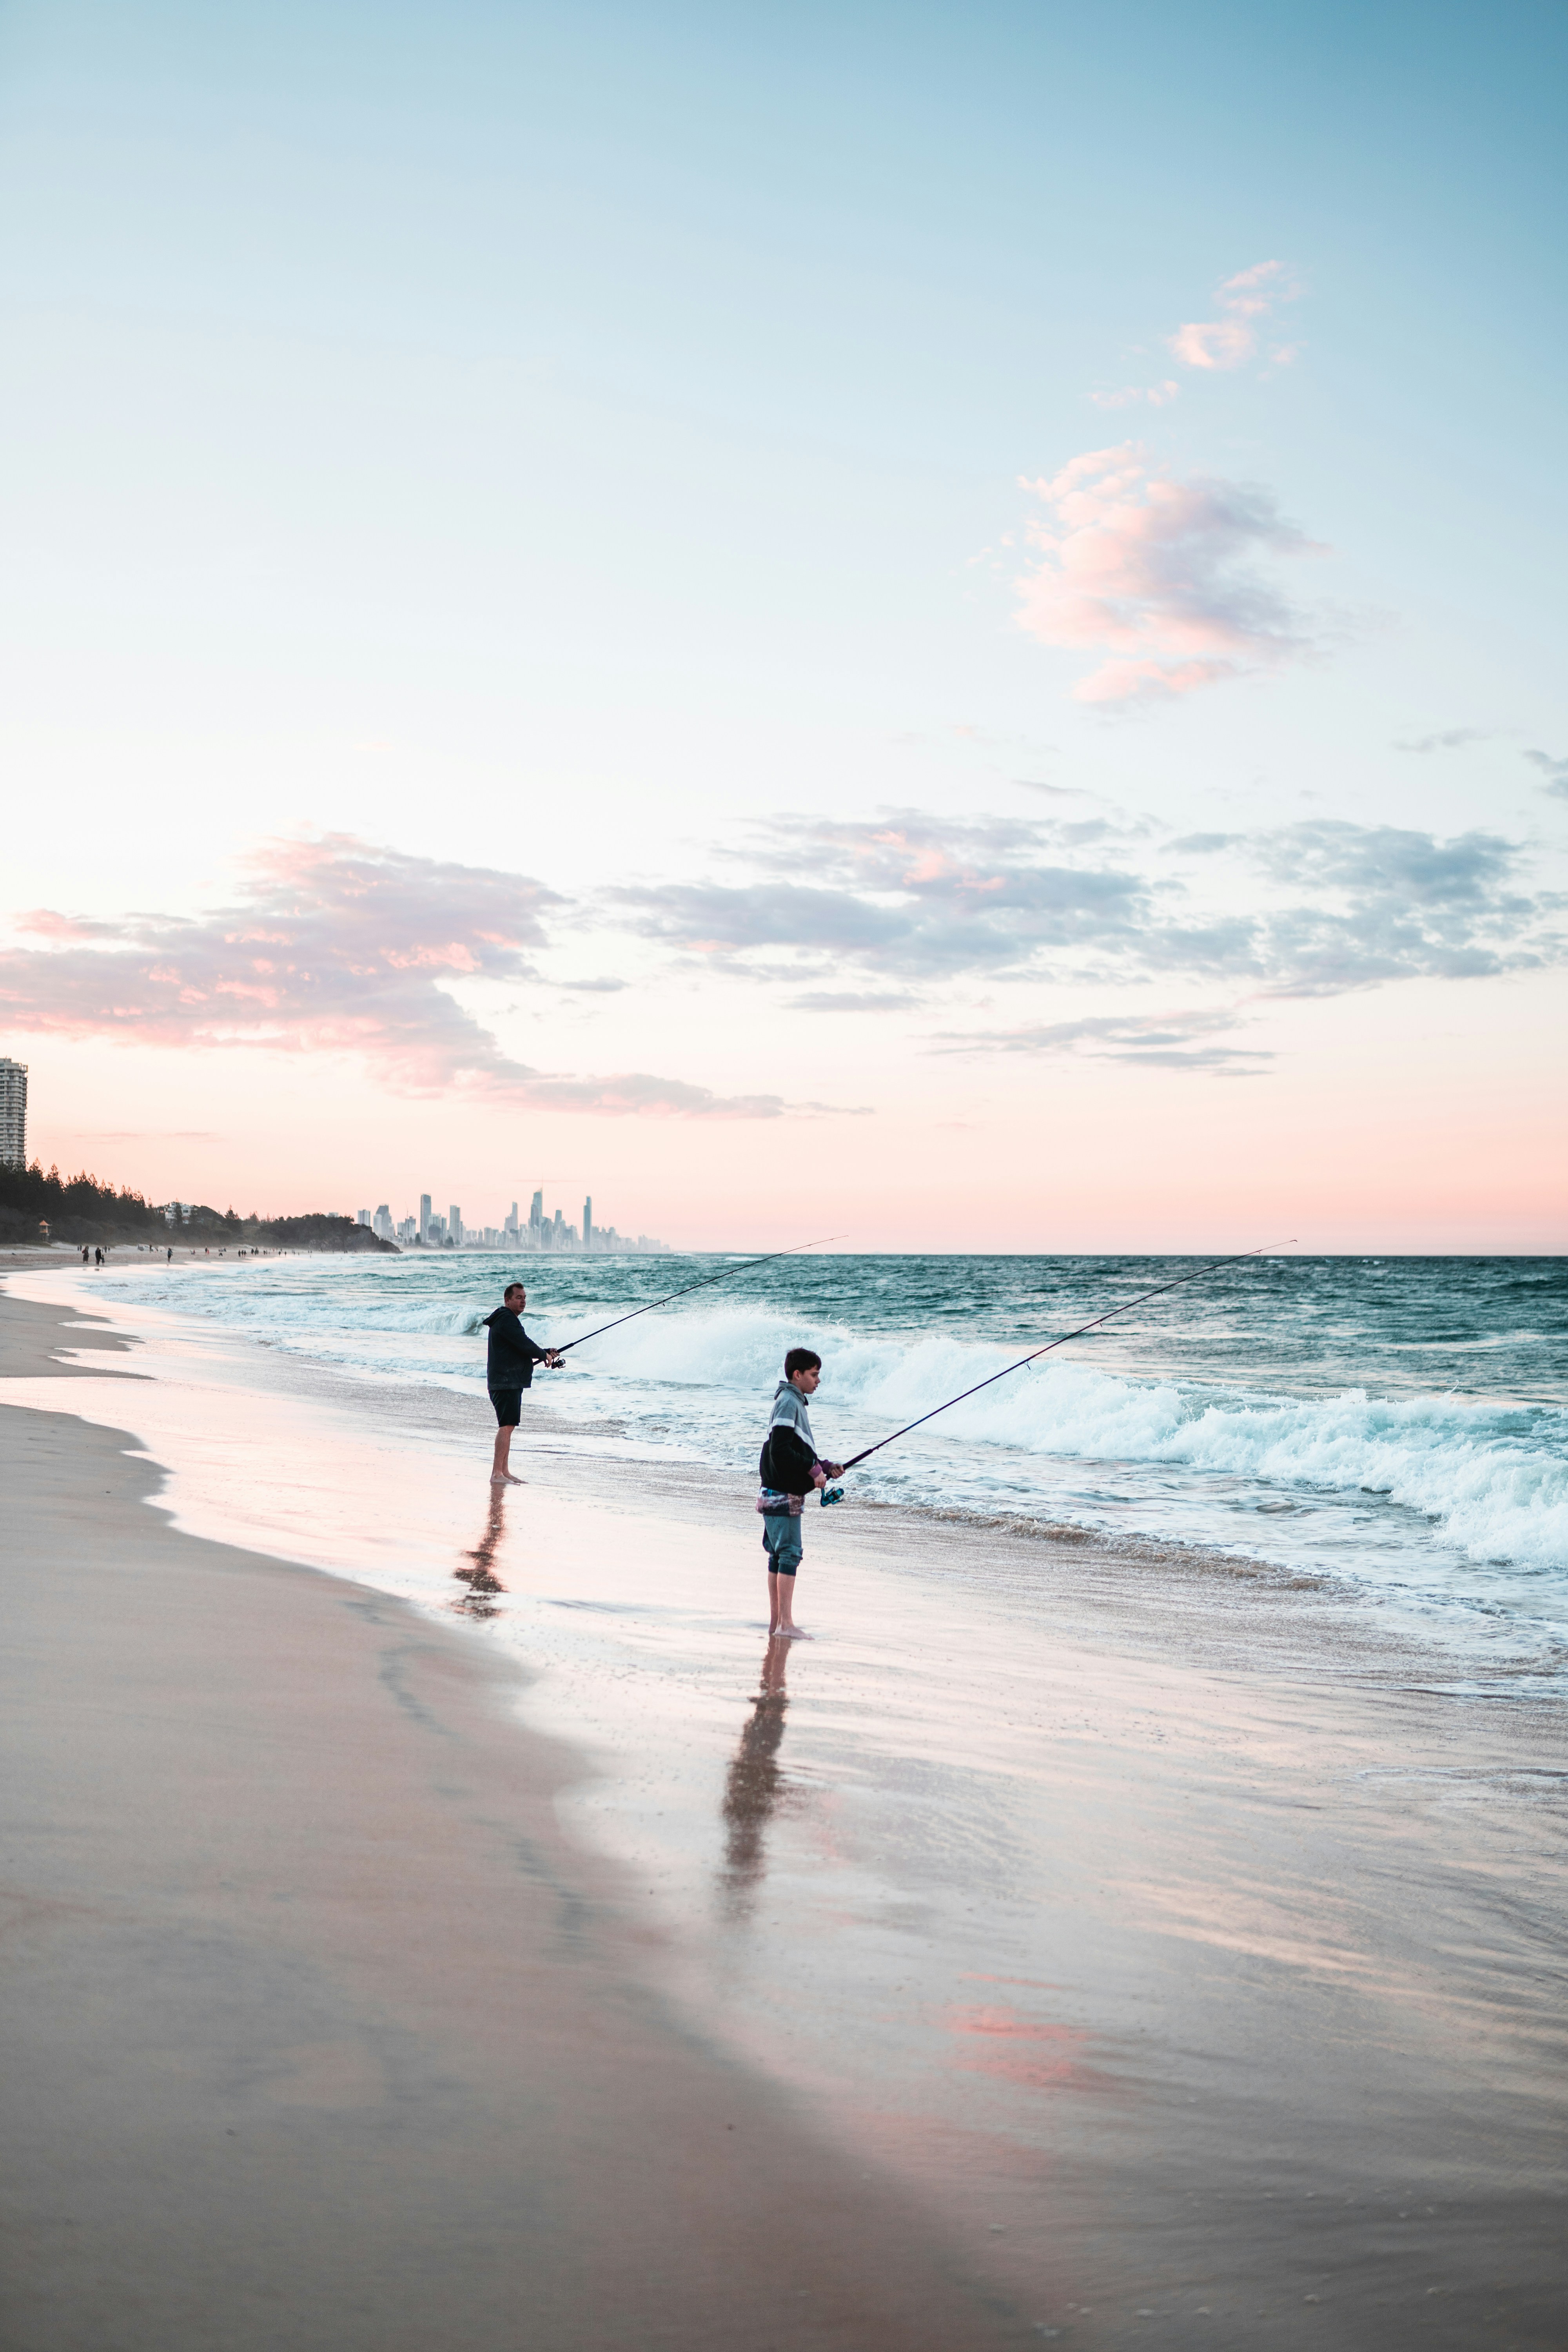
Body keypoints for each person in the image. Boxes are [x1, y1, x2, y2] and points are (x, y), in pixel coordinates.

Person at [756, 1347, 842, 1639]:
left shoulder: (791, 1401)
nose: (818, 1381)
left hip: (774, 1491)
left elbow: (794, 1447)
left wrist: (825, 1466)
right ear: (798, 1375)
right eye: (814, 1375)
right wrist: (812, 1469)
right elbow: (780, 1450)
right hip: (782, 1493)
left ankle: (776, 1623)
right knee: (789, 1554)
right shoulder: (789, 1402)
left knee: (778, 1556)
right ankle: (786, 1624)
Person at [481, 1282, 560, 1485]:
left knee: (509, 1426)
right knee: (506, 1426)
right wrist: (542, 1354)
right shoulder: (507, 1319)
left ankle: (504, 1472)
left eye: (525, 1298)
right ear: (507, 1300)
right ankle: (497, 1473)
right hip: (505, 1381)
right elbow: (523, 1342)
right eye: (519, 1298)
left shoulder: (505, 1320)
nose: (523, 1301)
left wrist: (544, 1352)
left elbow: (519, 1346)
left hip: (507, 1380)